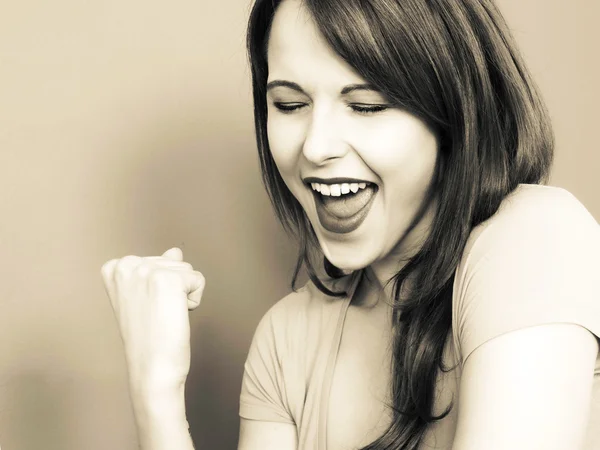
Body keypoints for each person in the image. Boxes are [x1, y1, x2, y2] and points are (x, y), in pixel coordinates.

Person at [101, 0, 600, 449]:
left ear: (453, 114)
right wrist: (157, 393)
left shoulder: (534, 238)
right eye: (290, 105)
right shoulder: (286, 339)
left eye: (366, 106)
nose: (316, 147)